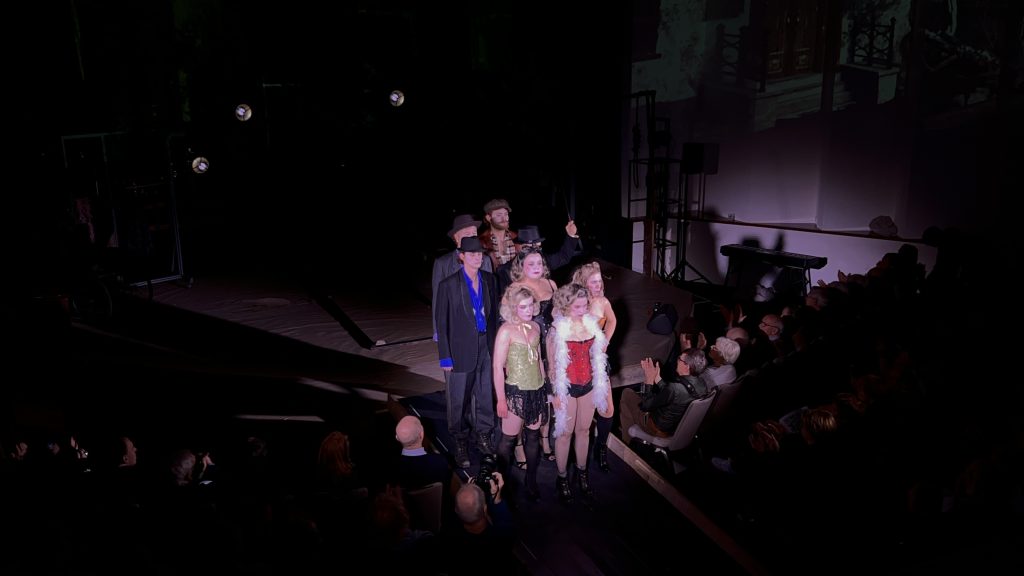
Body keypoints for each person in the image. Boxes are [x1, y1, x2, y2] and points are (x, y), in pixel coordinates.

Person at [434, 236, 499, 470]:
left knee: (484, 395)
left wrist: (497, 347)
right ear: (461, 256)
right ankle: (460, 440)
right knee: (459, 399)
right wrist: (445, 355)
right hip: (460, 349)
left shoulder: (490, 280)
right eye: (472, 254)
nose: (477, 258)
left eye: (480, 254)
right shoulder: (449, 284)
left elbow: (494, 317)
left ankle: (484, 435)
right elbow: (441, 322)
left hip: (485, 345)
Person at [547, 283, 611, 504]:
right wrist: (555, 394)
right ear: (566, 306)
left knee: (584, 431)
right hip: (566, 388)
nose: (583, 310)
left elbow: (597, 357)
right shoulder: (556, 331)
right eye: (577, 307)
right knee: (565, 434)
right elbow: (552, 367)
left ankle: (582, 474)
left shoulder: (591, 325)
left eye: (585, 306)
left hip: (589, 385)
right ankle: (562, 477)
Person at [492, 285, 547, 501]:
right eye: (523, 307)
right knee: (508, 439)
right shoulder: (506, 330)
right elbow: (497, 367)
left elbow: (539, 359)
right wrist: (501, 399)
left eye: (530, 305)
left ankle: (530, 479)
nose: (528, 310)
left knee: (533, 436)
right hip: (516, 391)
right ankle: (500, 481)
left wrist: (545, 388)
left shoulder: (536, 326)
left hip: (536, 390)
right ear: (514, 308)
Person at [506, 246, 560, 462]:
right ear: (521, 267)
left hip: (550, 347)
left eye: (539, 263)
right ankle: (519, 445)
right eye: (531, 264)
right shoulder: (515, 288)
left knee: (548, 395)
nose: (537, 267)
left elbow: (559, 316)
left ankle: (545, 439)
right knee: (525, 400)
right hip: (526, 351)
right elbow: (506, 324)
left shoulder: (551, 284)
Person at [572, 261, 618, 472]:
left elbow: (612, 321)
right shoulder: (575, 302)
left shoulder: (603, 302)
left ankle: (600, 448)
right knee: (581, 416)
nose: (598, 285)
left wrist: (605, 340)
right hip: (577, 364)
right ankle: (576, 452)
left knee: (607, 410)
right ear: (584, 283)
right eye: (594, 282)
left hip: (597, 362)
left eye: (600, 281)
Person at [618, 348, 708, 446]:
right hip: (674, 428)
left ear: (687, 366)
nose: (677, 361)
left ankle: (625, 442)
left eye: (680, 359)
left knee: (627, 393)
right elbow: (673, 395)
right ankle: (629, 432)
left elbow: (645, 406)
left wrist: (649, 380)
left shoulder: (675, 388)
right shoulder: (702, 385)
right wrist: (658, 379)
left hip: (656, 428)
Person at [432, 214, 493, 339]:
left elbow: (490, 294)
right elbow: (438, 300)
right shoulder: (442, 263)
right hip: (456, 326)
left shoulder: (485, 260)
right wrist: (438, 330)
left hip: (482, 324)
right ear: (456, 238)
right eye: (467, 234)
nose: (471, 237)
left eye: (474, 233)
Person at [496, 221, 582, 293]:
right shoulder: (504, 271)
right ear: (518, 247)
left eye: (537, 247)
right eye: (528, 247)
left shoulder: (544, 261)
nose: (533, 251)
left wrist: (571, 236)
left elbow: (563, 256)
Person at [478, 199, 518, 270]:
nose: (504, 218)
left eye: (506, 214)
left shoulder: (516, 238)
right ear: (488, 218)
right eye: (499, 215)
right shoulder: (482, 242)